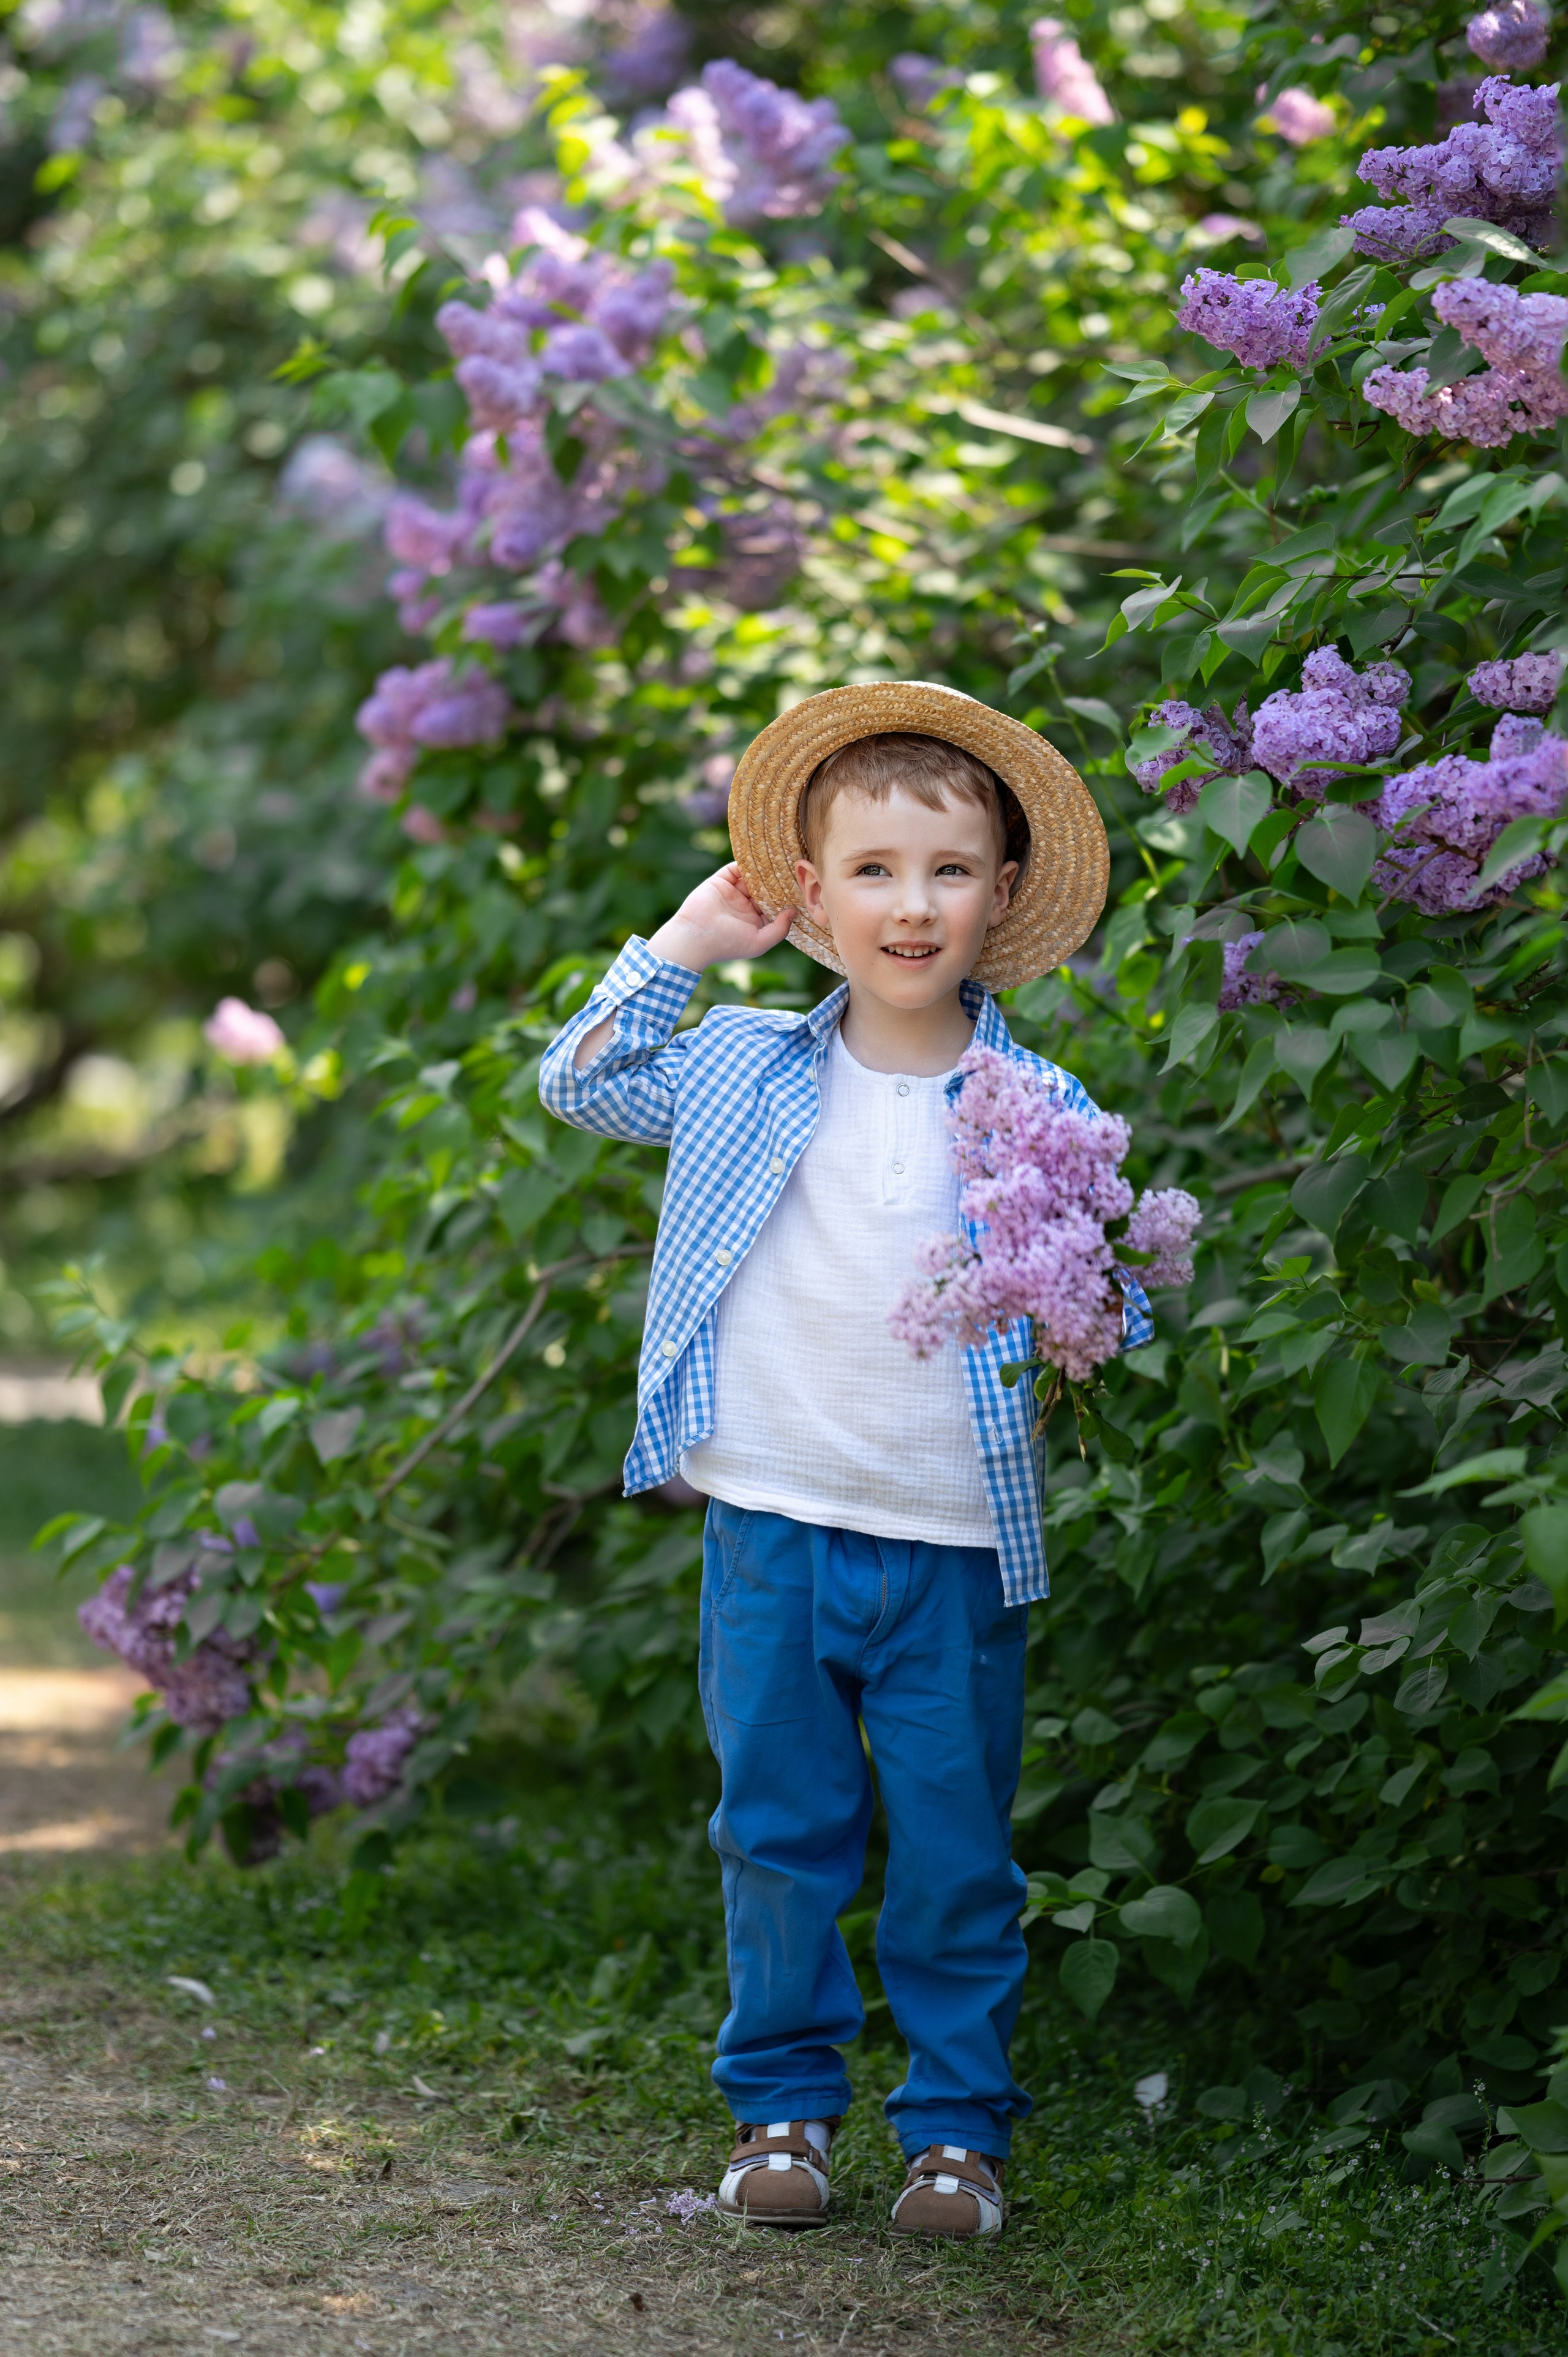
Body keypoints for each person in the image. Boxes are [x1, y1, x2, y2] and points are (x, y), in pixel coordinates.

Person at [539, 681, 1147, 2239]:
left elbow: (1104, 1308)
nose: (910, 903)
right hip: (774, 1524)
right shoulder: (746, 1066)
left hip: (950, 1542)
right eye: (870, 868)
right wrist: (687, 941)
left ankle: (953, 2134)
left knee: (953, 1855)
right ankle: (782, 2114)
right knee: (778, 1834)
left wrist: (1091, 1293)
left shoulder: (1037, 1109)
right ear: (808, 893)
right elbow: (579, 1079)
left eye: (947, 870)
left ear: (1000, 896)